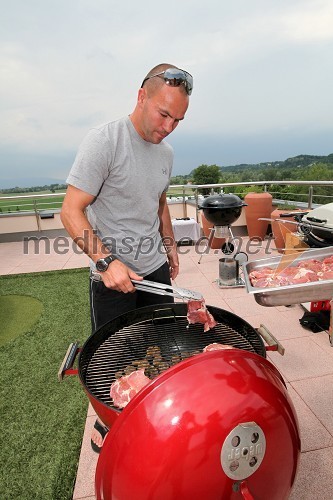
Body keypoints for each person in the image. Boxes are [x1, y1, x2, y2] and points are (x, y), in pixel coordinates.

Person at [61, 63, 193, 452]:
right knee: (114, 358)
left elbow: (159, 201)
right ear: (141, 97)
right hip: (112, 276)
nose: (169, 126)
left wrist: (168, 244)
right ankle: (109, 428)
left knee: (161, 343)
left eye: (178, 119)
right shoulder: (104, 141)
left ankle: (152, 415)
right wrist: (106, 262)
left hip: (153, 267)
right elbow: (71, 211)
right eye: (163, 113)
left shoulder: (165, 151)